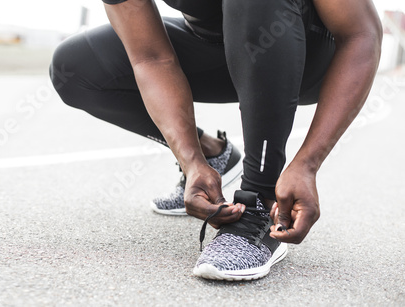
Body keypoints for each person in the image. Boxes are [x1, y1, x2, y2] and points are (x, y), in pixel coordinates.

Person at [50, 0, 382, 280]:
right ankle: (213, 156)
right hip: (219, 44)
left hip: (304, 49)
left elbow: (361, 33)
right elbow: (151, 58)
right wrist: (192, 160)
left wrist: (308, 163)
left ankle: (259, 203)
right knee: (76, 66)